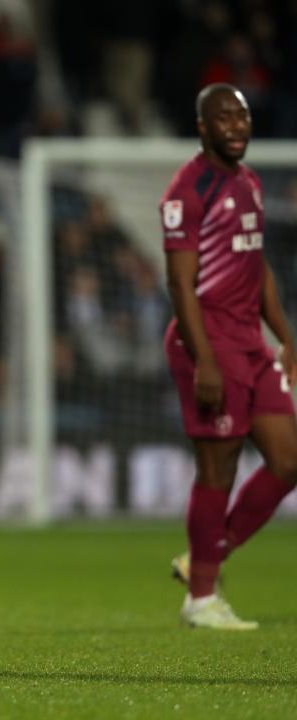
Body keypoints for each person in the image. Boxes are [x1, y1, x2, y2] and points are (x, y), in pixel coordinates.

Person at [161, 83, 297, 630]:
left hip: (251, 343)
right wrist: (205, 361)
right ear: (203, 127)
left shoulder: (251, 182)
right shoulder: (187, 191)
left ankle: (205, 556)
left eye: (242, 116)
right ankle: (201, 598)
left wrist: (286, 336)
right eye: (224, 118)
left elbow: (255, 266)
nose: (237, 126)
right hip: (208, 343)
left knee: (288, 459)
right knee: (218, 467)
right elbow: (179, 282)